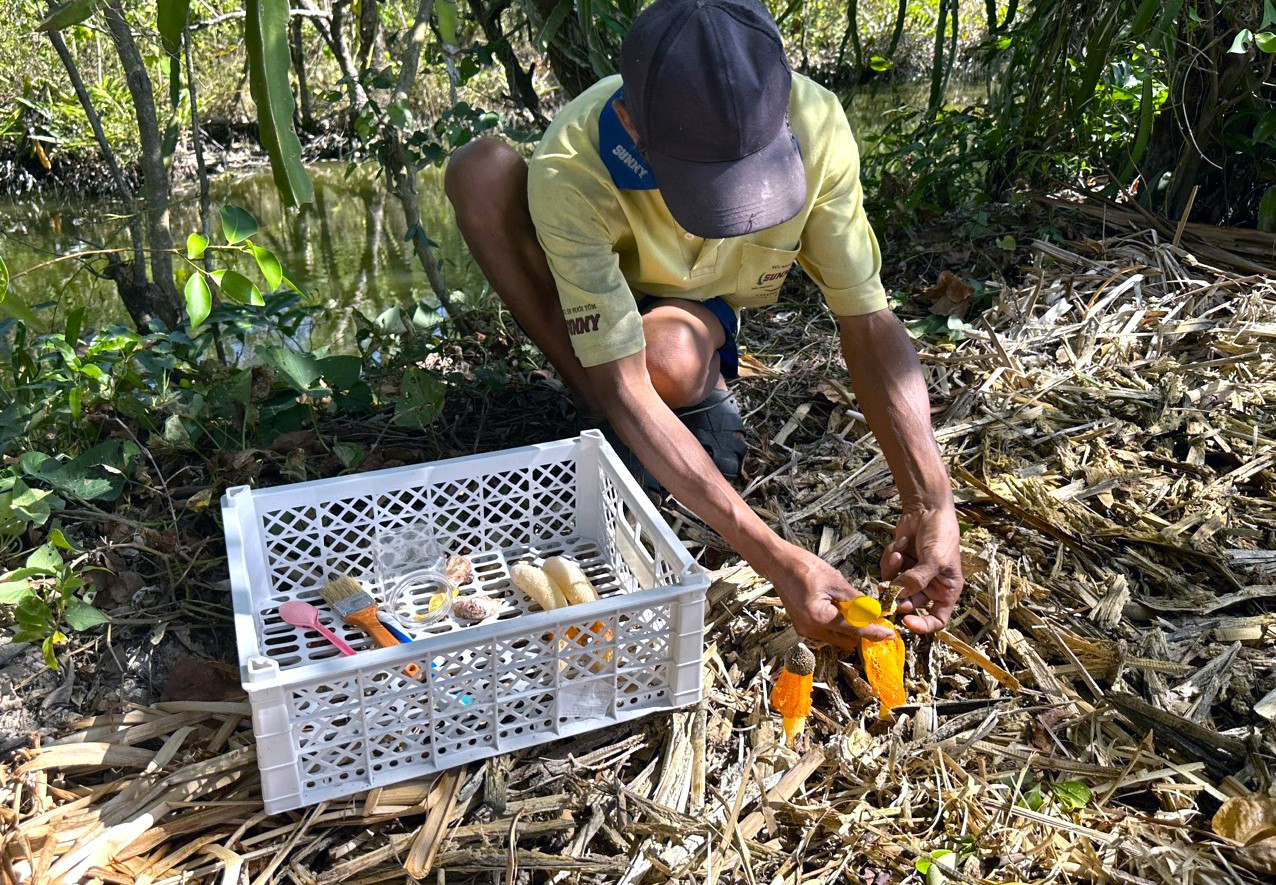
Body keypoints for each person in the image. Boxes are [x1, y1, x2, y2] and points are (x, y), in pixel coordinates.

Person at [445, 0, 963, 649]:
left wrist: (930, 500)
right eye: (709, 181)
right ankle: (610, 417)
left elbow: (867, 321)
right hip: (602, 310)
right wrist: (776, 556)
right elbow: (628, 382)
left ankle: (661, 417)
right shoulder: (575, 163)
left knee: (667, 353)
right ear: (632, 126)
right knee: (481, 173)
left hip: (688, 319)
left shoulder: (817, 124)